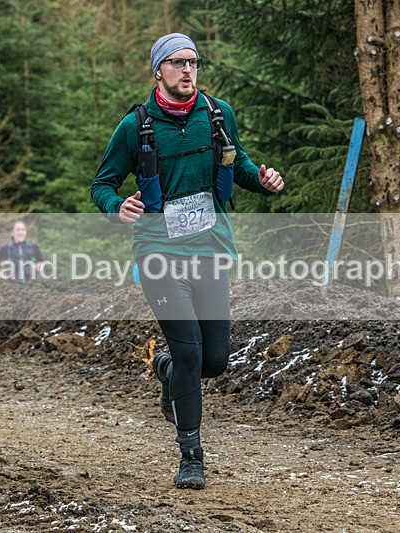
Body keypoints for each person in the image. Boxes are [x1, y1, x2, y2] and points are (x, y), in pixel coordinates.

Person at [90, 32, 284, 489]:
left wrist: (264, 178)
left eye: (193, 62)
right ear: (158, 70)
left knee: (214, 359)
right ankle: (190, 455)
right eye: (176, 63)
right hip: (159, 255)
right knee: (190, 348)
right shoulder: (135, 125)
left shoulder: (217, 115)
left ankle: (168, 370)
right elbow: (102, 183)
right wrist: (116, 207)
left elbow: (238, 164)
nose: (187, 70)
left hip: (211, 250)